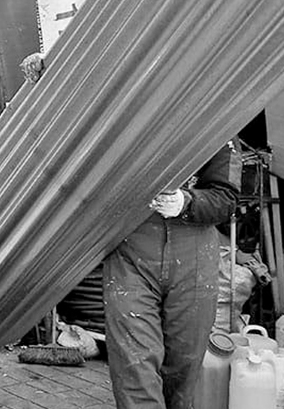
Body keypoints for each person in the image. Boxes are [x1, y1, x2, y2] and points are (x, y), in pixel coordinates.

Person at [103, 142, 240, 409]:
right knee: (134, 363)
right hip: (131, 252)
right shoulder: (121, 116)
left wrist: (186, 202)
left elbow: (226, 199)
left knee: (183, 368)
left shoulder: (218, 121)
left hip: (194, 255)